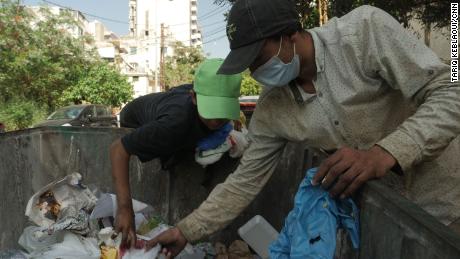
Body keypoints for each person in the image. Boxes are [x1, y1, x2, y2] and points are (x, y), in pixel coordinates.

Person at [147, 0, 460, 256]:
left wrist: (384, 153)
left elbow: (451, 93)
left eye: (259, 57)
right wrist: (186, 230)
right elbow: (244, 182)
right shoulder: (272, 107)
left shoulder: (363, 33)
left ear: (290, 34)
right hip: (381, 225)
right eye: (249, 65)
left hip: (446, 205)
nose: (255, 71)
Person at [111, 58, 242, 250]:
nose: (216, 119)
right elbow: (118, 149)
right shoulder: (175, 123)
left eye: (223, 110)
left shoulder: (217, 116)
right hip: (134, 119)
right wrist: (125, 209)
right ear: (194, 97)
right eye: (211, 110)